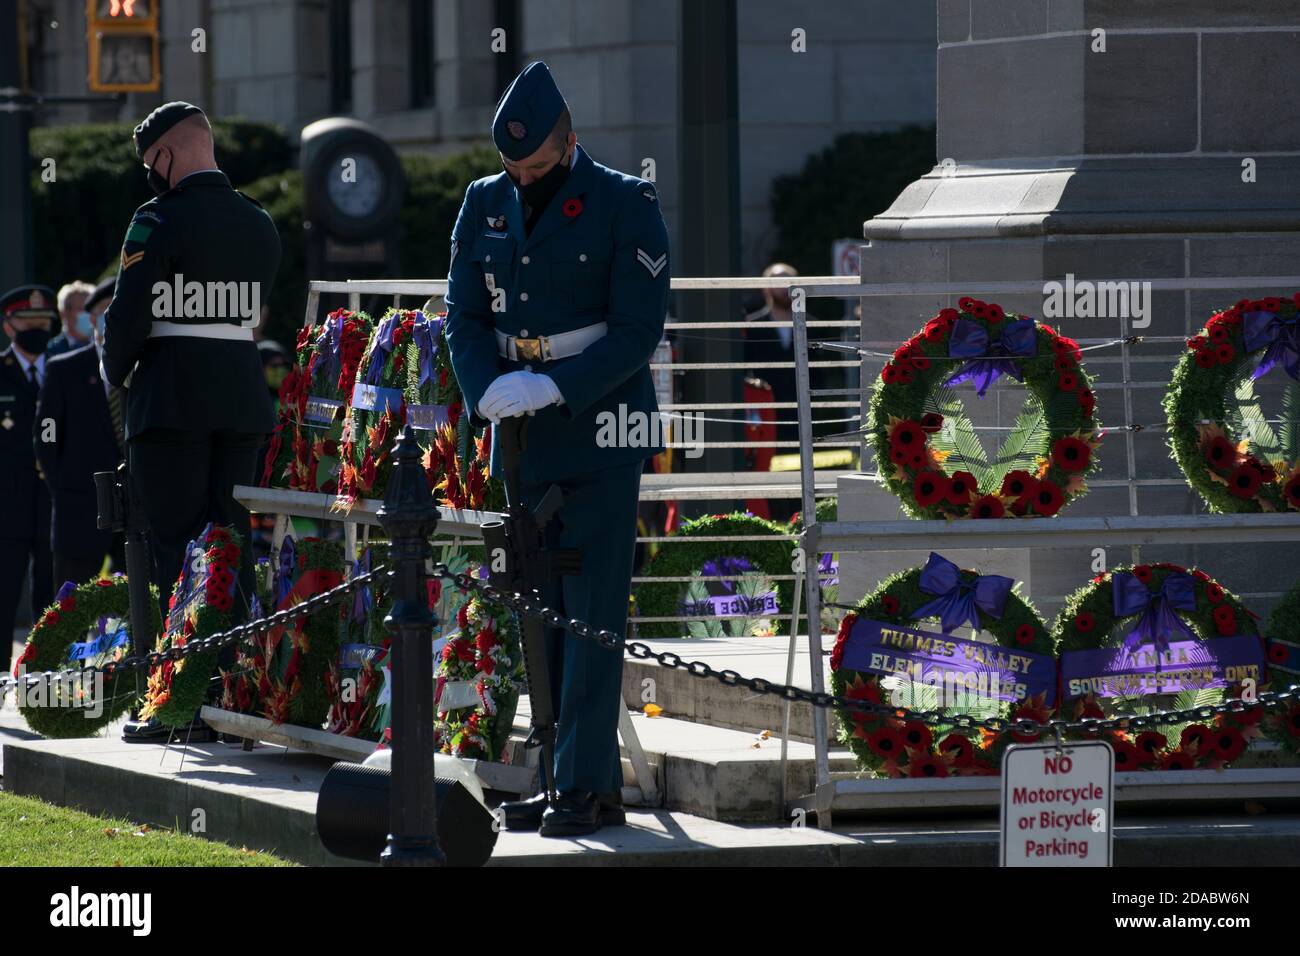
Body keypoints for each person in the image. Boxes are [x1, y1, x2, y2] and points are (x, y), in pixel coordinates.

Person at [445, 61, 670, 837]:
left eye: (539, 166)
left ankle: (582, 784)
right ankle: (564, 773)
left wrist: (557, 385)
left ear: (569, 141)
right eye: (515, 167)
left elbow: (639, 331)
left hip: (601, 425)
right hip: (520, 427)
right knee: (535, 607)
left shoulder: (623, 202)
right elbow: (463, 316)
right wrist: (484, 387)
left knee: (592, 609)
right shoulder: (484, 202)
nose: (525, 179)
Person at [102, 102, 280, 737]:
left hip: (171, 405)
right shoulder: (259, 224)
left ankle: (184, 704)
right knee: (230, 543)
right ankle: (234, 690)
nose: (151, 174)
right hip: (239, 403)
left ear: (169, 155)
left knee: (180, 550)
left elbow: (126, 318)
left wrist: (115, 371)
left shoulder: (154, 220)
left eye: (152, 162)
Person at [35, 278, 126, 588]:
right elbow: (46, 433)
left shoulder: (141, 366)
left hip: (132, 509)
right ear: (91, 319)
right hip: (79, 506)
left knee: (141, 606)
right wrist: (60, 483)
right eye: (104, 311)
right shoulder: (64, 369)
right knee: (70, 606)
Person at [0, 285, 56, 674]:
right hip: (7, 505)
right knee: (4, 596)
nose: (37, 329)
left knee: (50, 597)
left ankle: (43, 678)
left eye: (43, 322)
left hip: (53, 503)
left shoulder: (63, 369)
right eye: (28, 322)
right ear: (9, 327)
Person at [47, 280, 97, 358]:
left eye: (89, 309)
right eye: (81, 309)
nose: (88, 315)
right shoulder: (51, 351)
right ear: (63, 313)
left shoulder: (104, 346)